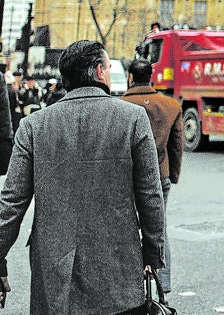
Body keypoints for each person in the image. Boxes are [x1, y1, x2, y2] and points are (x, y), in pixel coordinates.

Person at [0, 40, 164, 314]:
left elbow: (11, 204)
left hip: (54, 270)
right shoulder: (133, 119)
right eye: (109, 68)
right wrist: (153, 253)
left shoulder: (33, 126)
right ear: (100, 72)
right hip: (118, 267)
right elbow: (150, 196)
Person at [122, 57, 183, 299]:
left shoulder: (122, 105)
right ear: (151, 78)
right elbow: (177, 145)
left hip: (129, 177)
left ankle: (131, 285)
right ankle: (162, 285)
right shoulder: (170, 106)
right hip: (161, 175)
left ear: (130, 77)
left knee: (127, 230)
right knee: (159, 229)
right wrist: (173, 174)